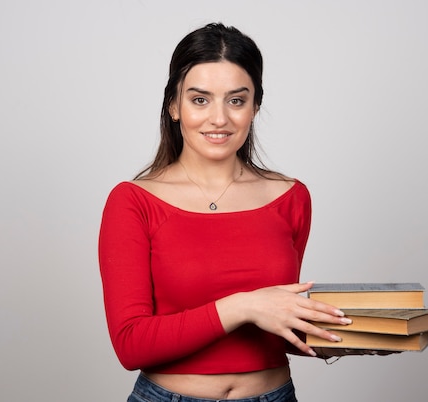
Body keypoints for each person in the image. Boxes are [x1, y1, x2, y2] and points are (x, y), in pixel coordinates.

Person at [98, 23, 351, 402]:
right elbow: (131, 345)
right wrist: (242, 305)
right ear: (173, 106)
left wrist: (351, 335)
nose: (219, 119)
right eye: (200, 100)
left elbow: (273, 330)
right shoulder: (133, 201)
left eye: (236, 100)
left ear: (255, 107)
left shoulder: (291, 197)